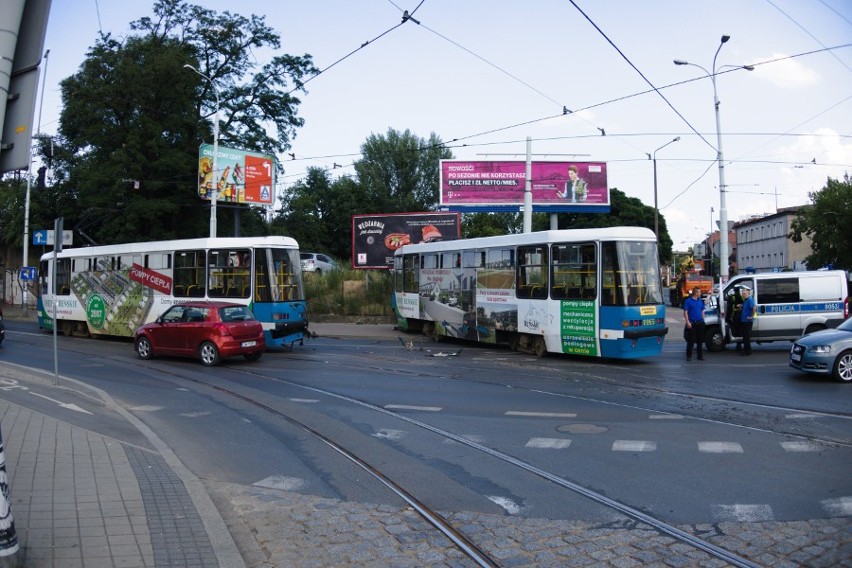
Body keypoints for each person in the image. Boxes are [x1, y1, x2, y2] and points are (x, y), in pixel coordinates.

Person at [683, 286, 705, 361]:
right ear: (695, 293)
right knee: (691, 341)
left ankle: (700, 356)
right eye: (699, 292)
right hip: (692, 323)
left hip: (700, 323)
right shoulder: (688, 301)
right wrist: (687, 322)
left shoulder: (700, 301)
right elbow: (685, 312)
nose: (700, 293)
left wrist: (703, 319)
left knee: (700, 340)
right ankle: (688, 356)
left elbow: (702, 310)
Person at [739, 286, 756, 356]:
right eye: (743, 294)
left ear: (748, 293)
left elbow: (754, 307)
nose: (743, 295)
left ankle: (747, 352)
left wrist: (752, 316)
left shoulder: (750, 299)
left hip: (747, 321)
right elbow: (745, 307)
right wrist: (740, 305)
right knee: (745, 337)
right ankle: (747, 350)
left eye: (744, 294)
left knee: (746, 337)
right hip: (744, 321)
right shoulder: (746, 300)